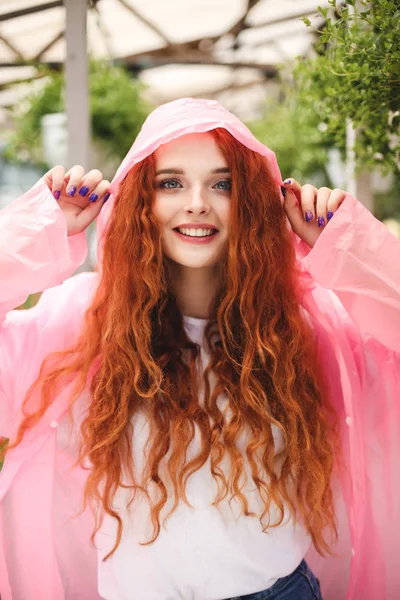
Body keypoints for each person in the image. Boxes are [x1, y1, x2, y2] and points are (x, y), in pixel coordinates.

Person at [0, 98, 399, 600]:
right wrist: (32, 233)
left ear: (251, 199)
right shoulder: (80, 324)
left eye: (223, 183)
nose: (196, 203)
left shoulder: (303, 327)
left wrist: (348, 248)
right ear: (141, 200)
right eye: (170, 183)